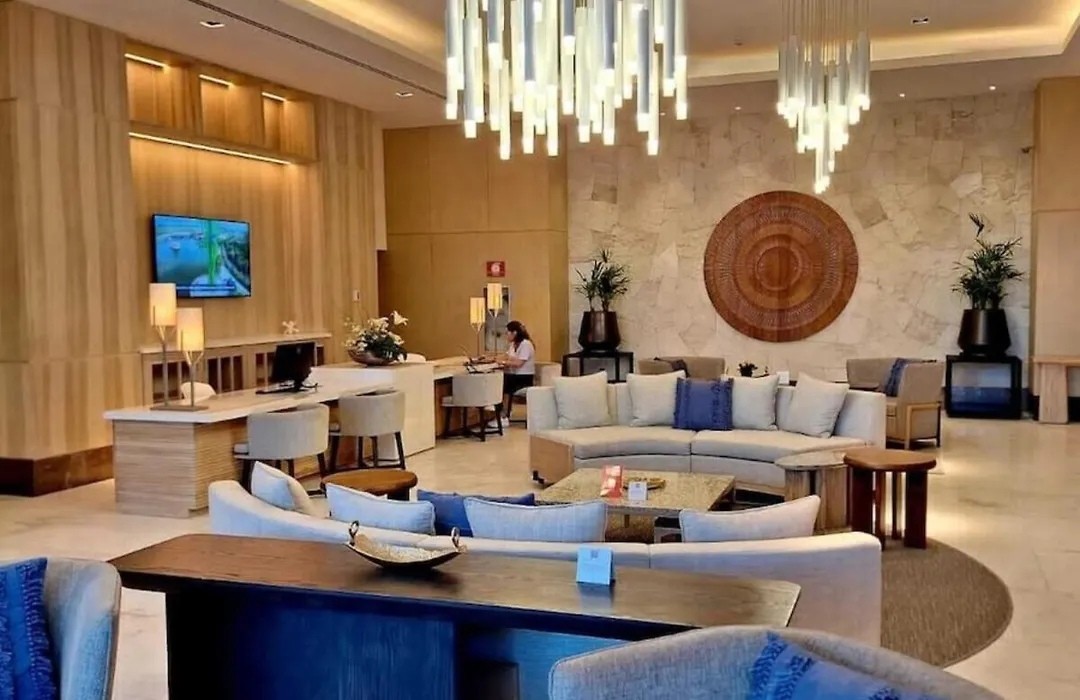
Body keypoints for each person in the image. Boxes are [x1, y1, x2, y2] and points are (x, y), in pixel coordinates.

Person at [495, 320, 535, 427]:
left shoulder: (526, 344)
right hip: (514, 376)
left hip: (524, 378)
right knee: (499, 381)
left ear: (514, 333)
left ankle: (504, 416)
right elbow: (507, 356)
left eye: (507, 333)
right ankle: (500, 414)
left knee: (503, 383)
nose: (506, 336)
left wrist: (503, 363)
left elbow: (519, 363)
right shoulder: (513, 344)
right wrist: (493, 359)